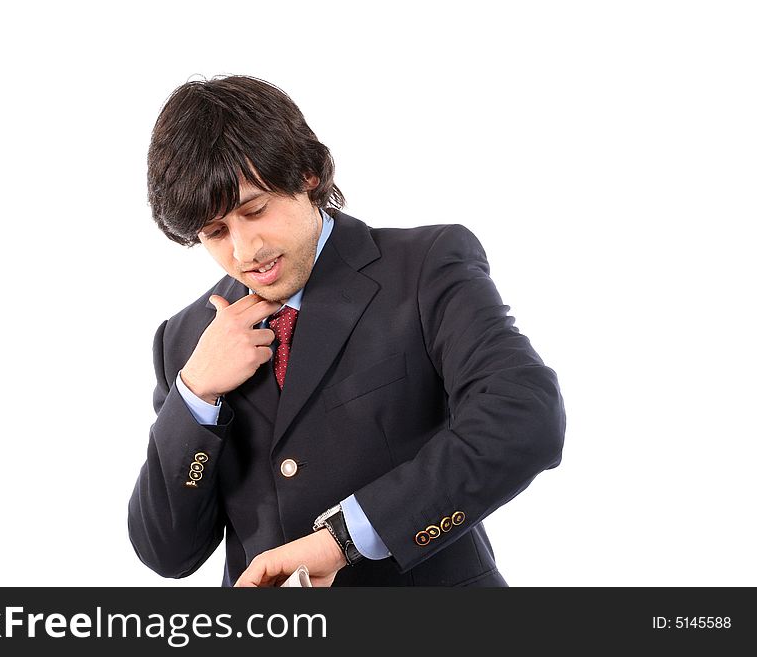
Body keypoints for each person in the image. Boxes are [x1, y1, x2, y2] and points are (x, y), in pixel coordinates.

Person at [128, 75, 566, 587]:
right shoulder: (186, 340)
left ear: (308, 174)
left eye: (255, 210)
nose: (245, 251)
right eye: (215, 232)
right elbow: (166, 552)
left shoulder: (423, 267)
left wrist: (348, 536)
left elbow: (525, 417)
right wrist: (195, 395)